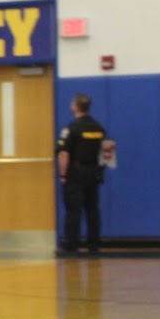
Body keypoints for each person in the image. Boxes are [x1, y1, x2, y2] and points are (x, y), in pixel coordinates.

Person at [57, 93, 107, 255]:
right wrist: (100, 170)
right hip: (93, 173)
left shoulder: (70, 129)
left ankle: (72, 244)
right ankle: (94, 243)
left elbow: (64, 154)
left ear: (76, 106)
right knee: (92, 209)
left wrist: (63, 175)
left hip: (75, 174)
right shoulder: (99, 128)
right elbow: (107, 152)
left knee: (73, 210)